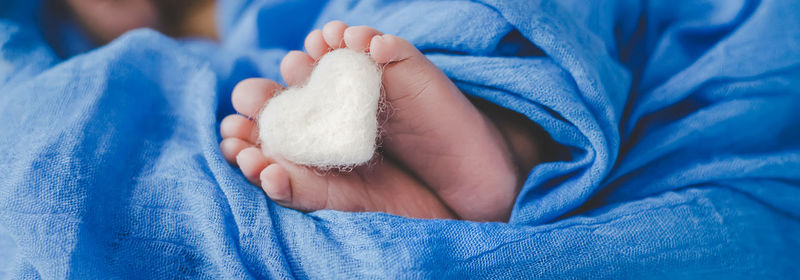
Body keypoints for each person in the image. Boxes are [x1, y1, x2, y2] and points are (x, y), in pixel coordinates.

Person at [62, 1, 545, 222]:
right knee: (363, 45)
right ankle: (490, 155)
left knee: (399, 28)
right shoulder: (182, 39)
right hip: (281, 48)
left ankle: (491, 138)